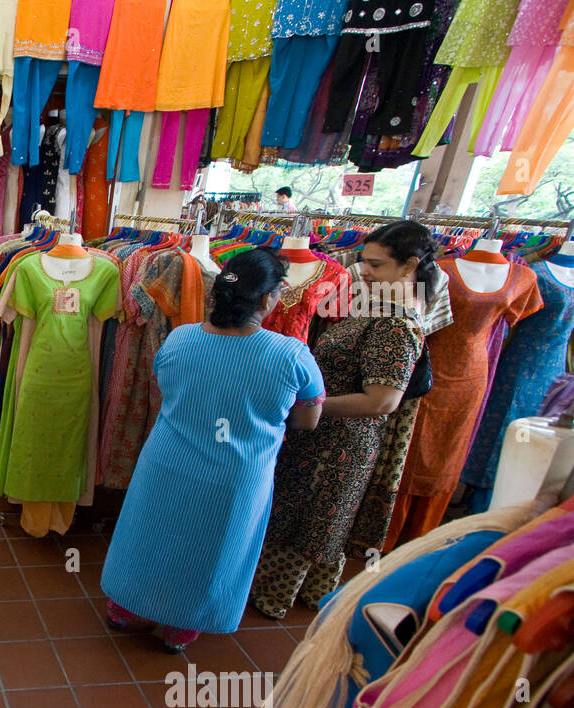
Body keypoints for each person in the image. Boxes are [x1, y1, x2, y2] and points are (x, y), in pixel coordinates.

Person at [100, 249, 325, 653]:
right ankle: (181, 627)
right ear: (266, 299)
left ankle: (123, 605)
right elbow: (307, 420)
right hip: (233, 474)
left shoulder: (181, 338)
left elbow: (167, 387)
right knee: (211, 546)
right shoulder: (291, 355)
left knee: (147, 532)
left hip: (168, 460)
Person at [249, 220, 433, 619]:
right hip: (322, 435)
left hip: (339, 443)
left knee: (311, 521)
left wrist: (309, 406)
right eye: (364, 261)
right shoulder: (377, 307)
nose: (364, 270)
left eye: (376, 264)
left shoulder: (395, 326)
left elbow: (382, 401)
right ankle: (307, 593)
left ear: (409, 266)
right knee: (311, 517)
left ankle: (275, 596)